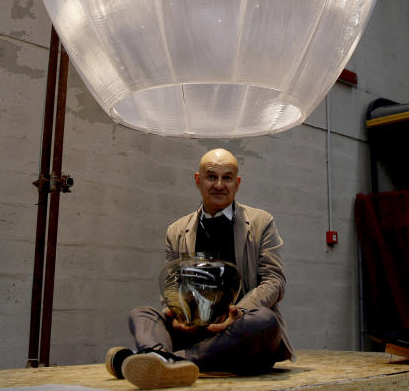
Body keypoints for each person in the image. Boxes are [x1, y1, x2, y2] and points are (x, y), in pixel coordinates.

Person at [106, 148, 293, 389]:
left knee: (265, 320)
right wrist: (178, 314)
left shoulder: (261, 222)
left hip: (241, 330)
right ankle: (168, 360)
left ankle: (167, 360)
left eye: (227, 178)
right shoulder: (176, 230)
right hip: (194, 329)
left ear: (237, 183)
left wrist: (238, 313)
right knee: (142, 314)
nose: (219, 185)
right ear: (198, 180)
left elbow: (274, 281)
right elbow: (172, 286)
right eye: (211, 176)